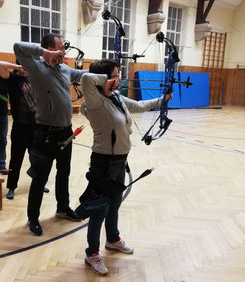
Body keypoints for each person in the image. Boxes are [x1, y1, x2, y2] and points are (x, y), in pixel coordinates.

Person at [78, 59, 170, 275]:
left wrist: (162, 100)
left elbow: (138, 106)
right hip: (103, 163)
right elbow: (85, 78)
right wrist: (107, 80)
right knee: (99, 209)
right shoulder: (95, 101)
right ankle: (91, 254)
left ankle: (112, 239)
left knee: (114, 204)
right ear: (105, 78)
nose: (119, 79)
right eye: (115, 75)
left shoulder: (117, 97)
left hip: (120, 161)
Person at [14, 33, 87, 236]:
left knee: (64, 172)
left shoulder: (64, 69)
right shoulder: (36, 67)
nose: (64, 52)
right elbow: (18, 47)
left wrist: (106, 74)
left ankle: (63, 208)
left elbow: (83, 76)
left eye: (64, 48)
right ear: (48, 48)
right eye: (60, 48)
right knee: (40, 178)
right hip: (45, 133)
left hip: (66, 131)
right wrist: (44, 53)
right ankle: (33, 218)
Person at [0, 60, 49, 200]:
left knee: (37, 158)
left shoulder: (34, 78)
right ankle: (11, 187)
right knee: (16, 159)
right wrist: (17, 67)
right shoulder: (12, 79)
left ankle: (39, 183)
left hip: (36, 126)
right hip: (20, 126)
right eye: (24, 65)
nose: (26, 68)